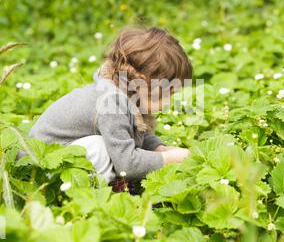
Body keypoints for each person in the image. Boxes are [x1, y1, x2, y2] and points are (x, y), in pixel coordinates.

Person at [26, 25, 193, 185]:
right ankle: (98, 193)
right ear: (140, 83)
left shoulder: (127, 92)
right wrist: (168, 160)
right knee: (99, 149)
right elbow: (127, 165)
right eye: (166, 94)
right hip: (40, 166)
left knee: (107, 147)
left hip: (57, 155)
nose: (169, 102)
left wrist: (159, 149)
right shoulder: (111, 104)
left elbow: (133, 134)